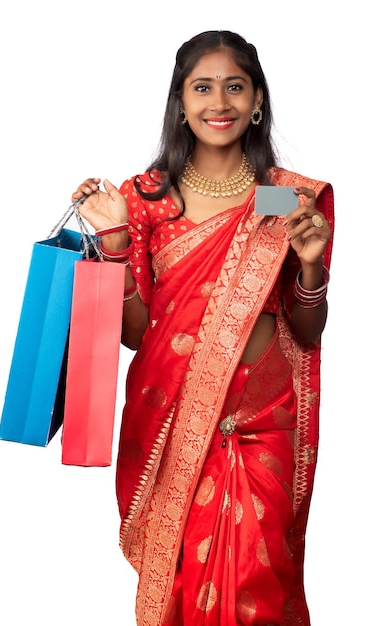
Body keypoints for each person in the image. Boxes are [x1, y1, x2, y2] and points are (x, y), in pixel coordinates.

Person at [71, 30, 334, 626]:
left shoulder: (278, 197)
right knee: (183, 584)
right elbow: (137, 333)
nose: (221, 102)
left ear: (257, 100)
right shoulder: (147, 198)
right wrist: (113, 237)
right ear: (181, 101)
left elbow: (306, 330)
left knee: (256, 584)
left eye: (235, 87)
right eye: (203, 87)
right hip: (171, 427)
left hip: (260, 425)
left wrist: (313, 265)